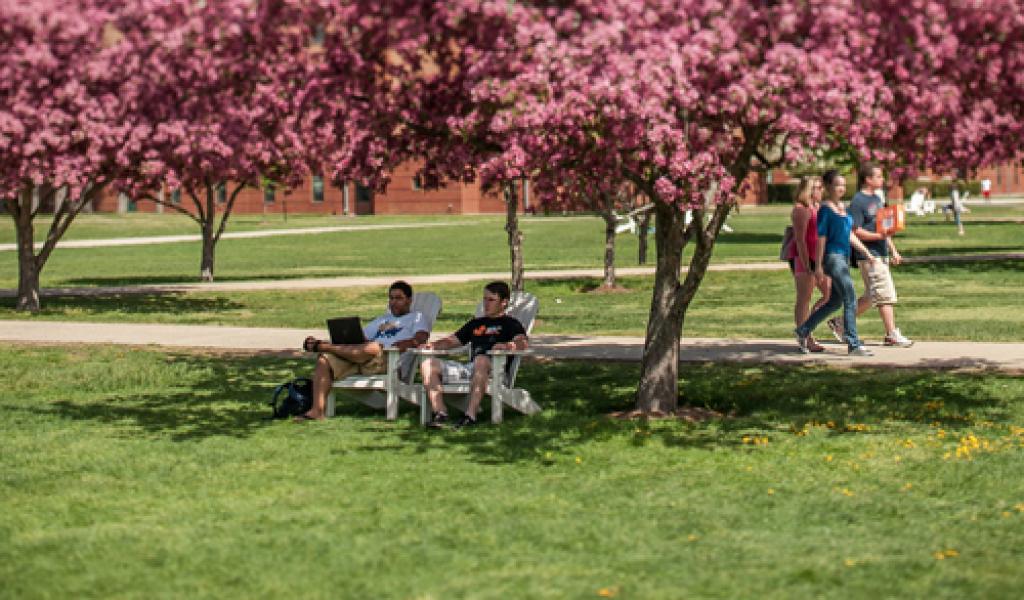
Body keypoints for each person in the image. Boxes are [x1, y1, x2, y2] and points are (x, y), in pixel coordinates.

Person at [297, 280, 429, 421]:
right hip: (359, 359)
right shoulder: (382, 319)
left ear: (409, 300)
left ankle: (325, 346)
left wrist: (406, 343)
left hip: (389, 361)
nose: (393, 302)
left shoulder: (416, 318)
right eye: (391, 298)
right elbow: (361, 337)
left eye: (399, 298)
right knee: (324, 360)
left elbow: (421, 337)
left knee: (373, 347)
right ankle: (317, 410)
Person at [420, 281, 528, 429]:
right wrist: (433, 345)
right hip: (470, 370)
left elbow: (522, 342)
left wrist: (507, 346)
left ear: (504, 303)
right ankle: (440, 412)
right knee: (428, 364)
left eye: (491, 300)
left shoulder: (511, 324)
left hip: (495, 371)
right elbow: (452, 341)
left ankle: (470, 415)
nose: (486, 303)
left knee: (481, 359)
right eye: (484, 299)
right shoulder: (476, 323)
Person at [795, 170, 878, 356]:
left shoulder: (843, 208)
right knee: (850, 297)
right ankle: (853, 344)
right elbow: (821, 238)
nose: (841, 188)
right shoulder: (825, 210)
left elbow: (849, 234)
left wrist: (866, 252)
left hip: (844, 258)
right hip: (832, 258)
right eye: (837, 185)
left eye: (843, 185)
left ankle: (803, 330)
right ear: (828, 187)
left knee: (835, 301)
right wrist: (817, 266)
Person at [831, 163, 913, 347]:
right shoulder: (858, 202)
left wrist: (893, 249)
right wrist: (877, 238)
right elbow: (854, 230)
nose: (882, 179)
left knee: (873, 296)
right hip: (868, 255)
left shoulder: (878, 199)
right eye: (878, 176)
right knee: (884, 293)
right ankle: (891, 333)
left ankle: (841, 323)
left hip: (881, 252)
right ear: (868, 179)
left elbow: (885, 228)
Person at [786, 176, 830, 352]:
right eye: (818, 188)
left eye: (821, 188)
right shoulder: (801, 210)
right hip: (805, 261)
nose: (821, 191)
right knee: (804, 299)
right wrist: (807, 265)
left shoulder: (818, 208)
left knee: (830, 295)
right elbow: (800, 240)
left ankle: (806, 330)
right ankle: (805, 338)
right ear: (809, 190)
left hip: (820, 259)